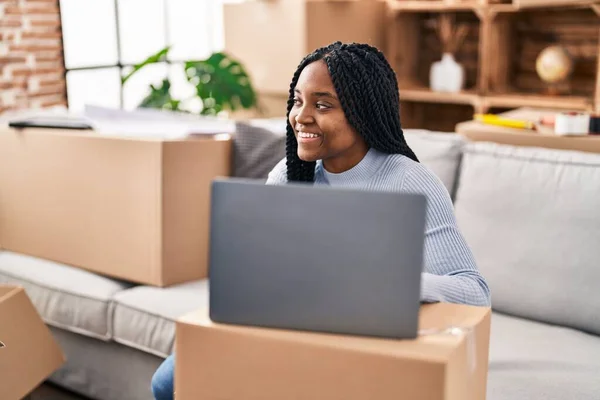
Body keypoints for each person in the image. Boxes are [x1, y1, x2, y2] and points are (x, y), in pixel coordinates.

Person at [150, 41, 490, 400]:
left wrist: (394, 284)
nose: (301, 116)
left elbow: (474, 292)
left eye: (323, 105)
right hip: (289, 319)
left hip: (363, 333)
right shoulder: (290, 172)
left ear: (362, 113)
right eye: (298, 101)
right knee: (168, 383)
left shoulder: (410, 181)